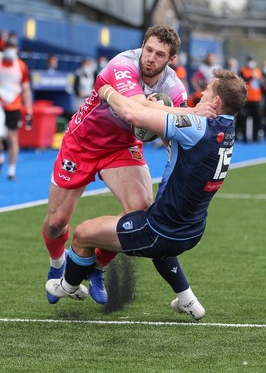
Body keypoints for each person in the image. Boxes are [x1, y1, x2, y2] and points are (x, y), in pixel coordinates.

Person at [42, 25, 216, 319]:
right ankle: (58, 264)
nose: (150, 58)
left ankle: (97, 267)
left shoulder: (174, 88)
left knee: (140, 214)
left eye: (160, 54)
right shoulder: (122, 64)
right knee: (56, 222)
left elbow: (172, 135)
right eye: (148, 49)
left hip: (121, 147)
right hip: (80, 143)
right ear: (142, 46)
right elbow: (134, 108)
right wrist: (190, 112)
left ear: (171, 59)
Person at [0, 38, 33, 180]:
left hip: (14, 104)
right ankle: (1, 157)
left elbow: (26, 89)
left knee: (13, 137)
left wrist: (29, 110)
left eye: (13, 48)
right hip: (0, 104)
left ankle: (11, 170)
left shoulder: (21, 66)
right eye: (8, 47)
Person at [237, 56, 263, 142]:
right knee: (244, 118)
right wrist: (250, 78)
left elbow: (262, 83)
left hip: (256, 100)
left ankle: (255, 137)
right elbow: (240, 82)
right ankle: (245, 137)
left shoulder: (258, 71)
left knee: (257, 118)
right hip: (246, 99)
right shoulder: (243, 70)